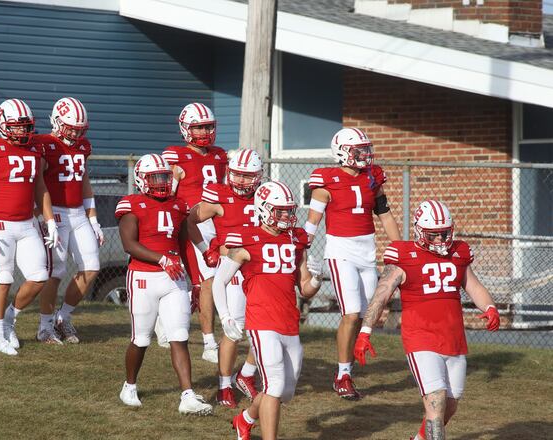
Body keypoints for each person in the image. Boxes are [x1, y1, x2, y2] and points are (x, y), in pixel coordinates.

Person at [353, 200, 501, 440]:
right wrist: (365, 330)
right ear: (420, 232)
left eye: (445, 233)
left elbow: (472, 285)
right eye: (435, 235)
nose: (442, 240)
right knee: (436, 401)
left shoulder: (459, 252)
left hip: (453, 340)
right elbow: (381, 294)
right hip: (420, 339)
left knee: (450, 405)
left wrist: (490, 307)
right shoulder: (404, 255)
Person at [214, 181, 322, 440]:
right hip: (261, 323)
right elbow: (219, 281)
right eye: (280, 211)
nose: (286, 216)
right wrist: (226, 316)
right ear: (263, 209)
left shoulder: (296, 239)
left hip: (289, 323)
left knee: (285, 391)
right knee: (274, 384)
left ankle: (246, 418)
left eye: (289, 211)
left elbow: (305, 288)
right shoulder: (246, 239)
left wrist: (317, 280)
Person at [304, 127, 400, 399]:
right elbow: (312, 224)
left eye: (366, 149)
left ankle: (347, 368)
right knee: (350, 311)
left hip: (367, 253)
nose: (365, 155)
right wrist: (300, 252)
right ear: (342, 152)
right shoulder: (326, 180)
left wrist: (400, 249)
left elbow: (385, 216)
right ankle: (343, 375)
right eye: (358, 150)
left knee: (365, 313)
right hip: (340, 251)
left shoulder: (373, 176)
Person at [115, 153, 213, 415]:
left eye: (164, 177)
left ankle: (188, 395)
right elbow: (129, 244)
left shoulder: (178, 204)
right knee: (141, 339)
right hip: (144, 277)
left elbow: (184, 245)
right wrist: (161, 259)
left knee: (179, 336)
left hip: (175, 279)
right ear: (141, 180)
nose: (161, 183)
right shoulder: (131, 204)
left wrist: (195, 281)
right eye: (155, 178)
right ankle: (130, 385)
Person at [0, 99, 57, 355]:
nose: (22, 131)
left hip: (27, 223)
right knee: (3, 279)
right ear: (3, 126)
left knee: (40, 276)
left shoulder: (34, 151)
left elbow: (41, 188)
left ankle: (10, 318)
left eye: (25, 126)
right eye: (17, 127)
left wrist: (49, 220)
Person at [187, 148, 263, 407]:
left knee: (267, 328)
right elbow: (190, 221)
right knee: (234, 330)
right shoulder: (219, 196)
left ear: (259, 176)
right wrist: (205, 247)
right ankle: (224, 385)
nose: (241, 181)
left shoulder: (266, 196)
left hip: (262, 270)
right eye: (237, 175)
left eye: (247, 176)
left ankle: (247, 374)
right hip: (233, 271)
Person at [32, 97, 103, 344]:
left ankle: (63, 317)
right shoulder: (42, 144)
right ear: (56, 121)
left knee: (92, 267)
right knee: (56, 271)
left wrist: (93, 219)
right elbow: (36, 183)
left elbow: (83, 181)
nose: (74, 133)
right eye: (70, 127)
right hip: (56, 213)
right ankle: (44, 326)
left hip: (78, 214)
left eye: (79, 129)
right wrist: (44, 215)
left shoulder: (83, 146)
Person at [161, 102, 228, 363]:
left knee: (214, 280)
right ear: (185, 128)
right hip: (189, 224)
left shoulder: (220, 155)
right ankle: (209, 342)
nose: (204, 131)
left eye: (208, 126)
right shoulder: (174, 154)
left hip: (216, 224)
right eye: (198, 126)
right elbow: (166, 193)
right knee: (203, 281)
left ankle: (166, 323)